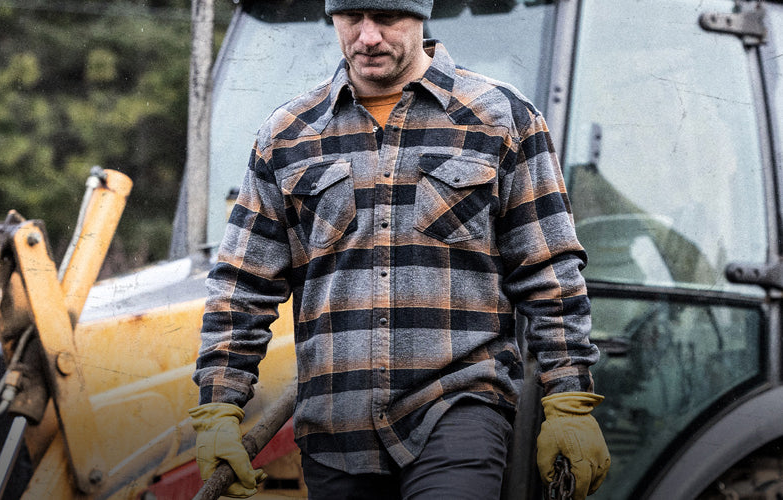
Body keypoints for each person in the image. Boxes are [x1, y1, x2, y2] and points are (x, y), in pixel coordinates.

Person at [189, 0, 610, 498]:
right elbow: (241, 285)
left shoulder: (501, 119)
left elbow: (549, 270)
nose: (367, 37)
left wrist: (568, 402)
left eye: (386, 18)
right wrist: (218, 409)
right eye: (351, 19)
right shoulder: (287, 136)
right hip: (336, 430)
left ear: (419, 15)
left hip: (458, 409)